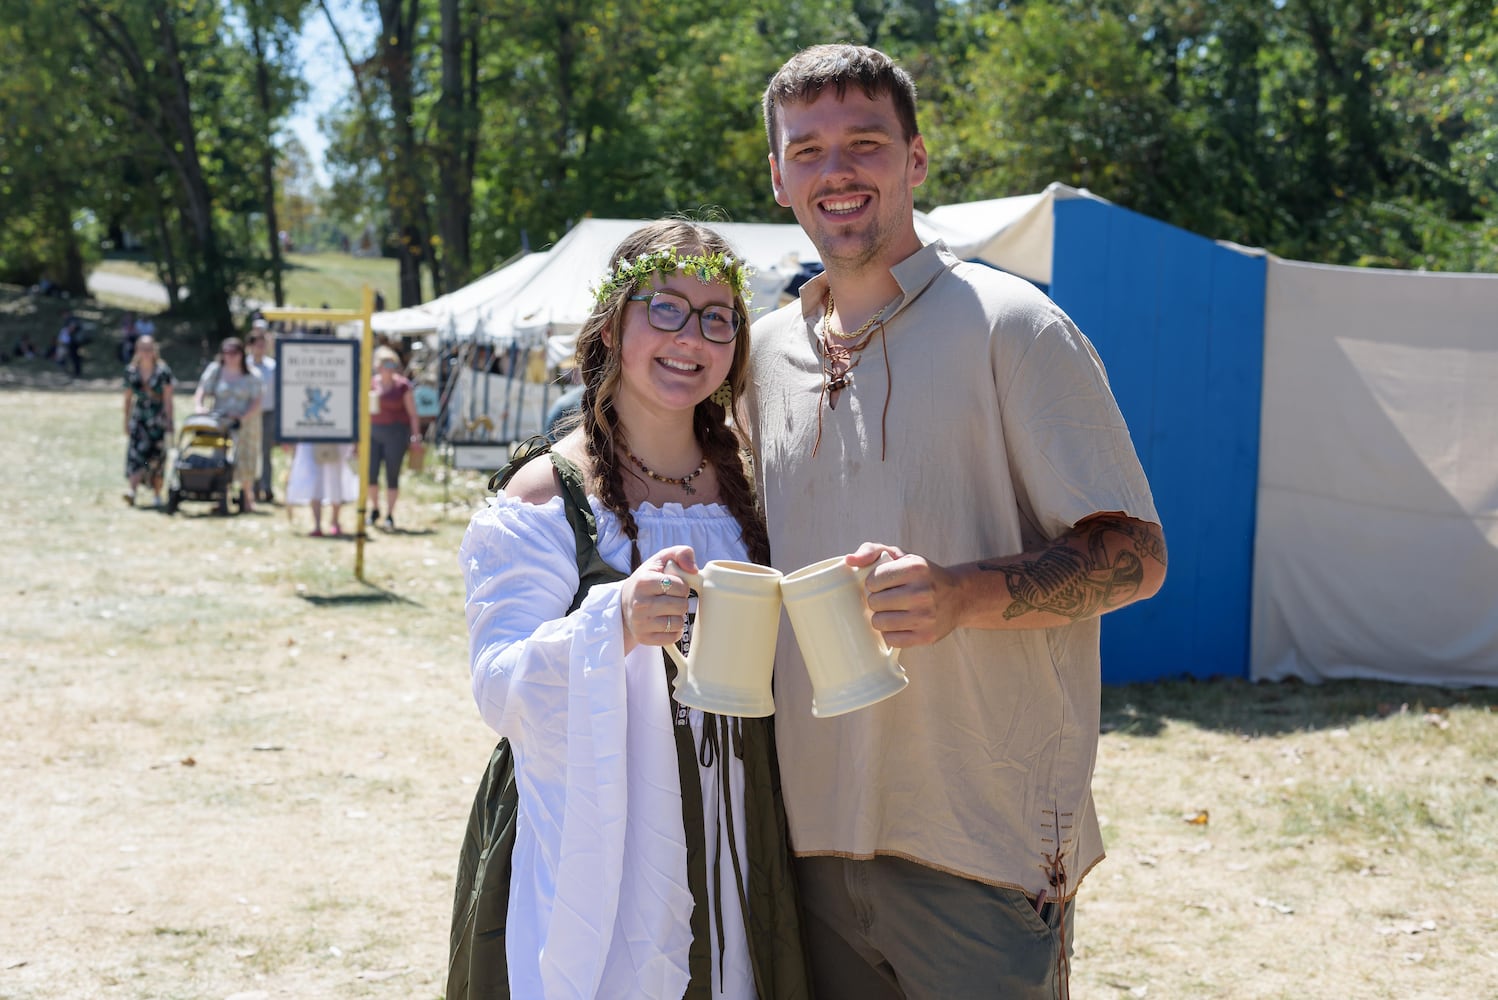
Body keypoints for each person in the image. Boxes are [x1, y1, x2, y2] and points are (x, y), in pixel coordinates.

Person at [747, 44, 1169, 998]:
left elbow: (1137, 556)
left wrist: (959, 595)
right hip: (803, 838)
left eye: (865, 142)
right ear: (777, 177)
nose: (837, 170)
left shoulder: (1012, 325)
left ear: (917, 160)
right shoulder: (763, 354)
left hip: (978, 843)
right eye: (807, 150)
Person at [457, 220, 811, 999]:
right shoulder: (546, 496)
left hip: (738, 821)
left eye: (718, 316)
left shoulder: (756, 486)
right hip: (594, 823)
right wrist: (609, 624)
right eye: (667, 308)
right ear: (613, 323)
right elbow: (498, 684)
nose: (693, 335)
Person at [193, 337, 263, 513]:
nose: (231, 357)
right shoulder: (215, 370)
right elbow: (202, 390)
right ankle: (222, 496)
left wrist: (242, 417)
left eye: (235, 353)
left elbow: (257, 400)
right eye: (227, 353)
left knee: (245, 460)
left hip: (245, 425)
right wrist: (199, 407)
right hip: (220, 424)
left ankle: (247, 497)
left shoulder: (252, 375)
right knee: (220, 459)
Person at [367, 345, 422, 531]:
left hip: (396, 434)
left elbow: (412, 413)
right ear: (377, 366)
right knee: (371, 474)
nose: (387, 369)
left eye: (391, 364)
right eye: (384, 364)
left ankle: (389, 514)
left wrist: (416, 437)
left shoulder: (403, 386)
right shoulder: (372, 384)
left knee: (392, 474)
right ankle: (374, 509)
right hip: (373, 433)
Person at [121, 335, 175, 507]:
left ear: (154, 350)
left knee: (157, 457)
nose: (146, 352)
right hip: (140, 417)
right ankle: (132, 491)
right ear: (137, 350)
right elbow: (128, 398)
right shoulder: (131, 371)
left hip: (157, 418)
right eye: (142, 349)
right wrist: (126, 420)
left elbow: (168, 399)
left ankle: (157, 494)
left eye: (149, 348)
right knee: (136, 455)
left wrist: (169, 421)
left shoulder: (163, 371)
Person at [286, 441, 357, 536]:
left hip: (338, 438)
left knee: (335, 479)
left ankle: (335, 521)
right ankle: (317, 525)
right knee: (314, 481)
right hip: (311, 439)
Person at [247, 321, 279, 503]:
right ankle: (252, 487)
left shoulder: (272, 367)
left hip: (267, 413)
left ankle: (266, 487)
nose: (260, 348)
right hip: (250, 415)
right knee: (251, 451)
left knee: (265, 452)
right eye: (257, 344)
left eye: (262, 344)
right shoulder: (245, 365)